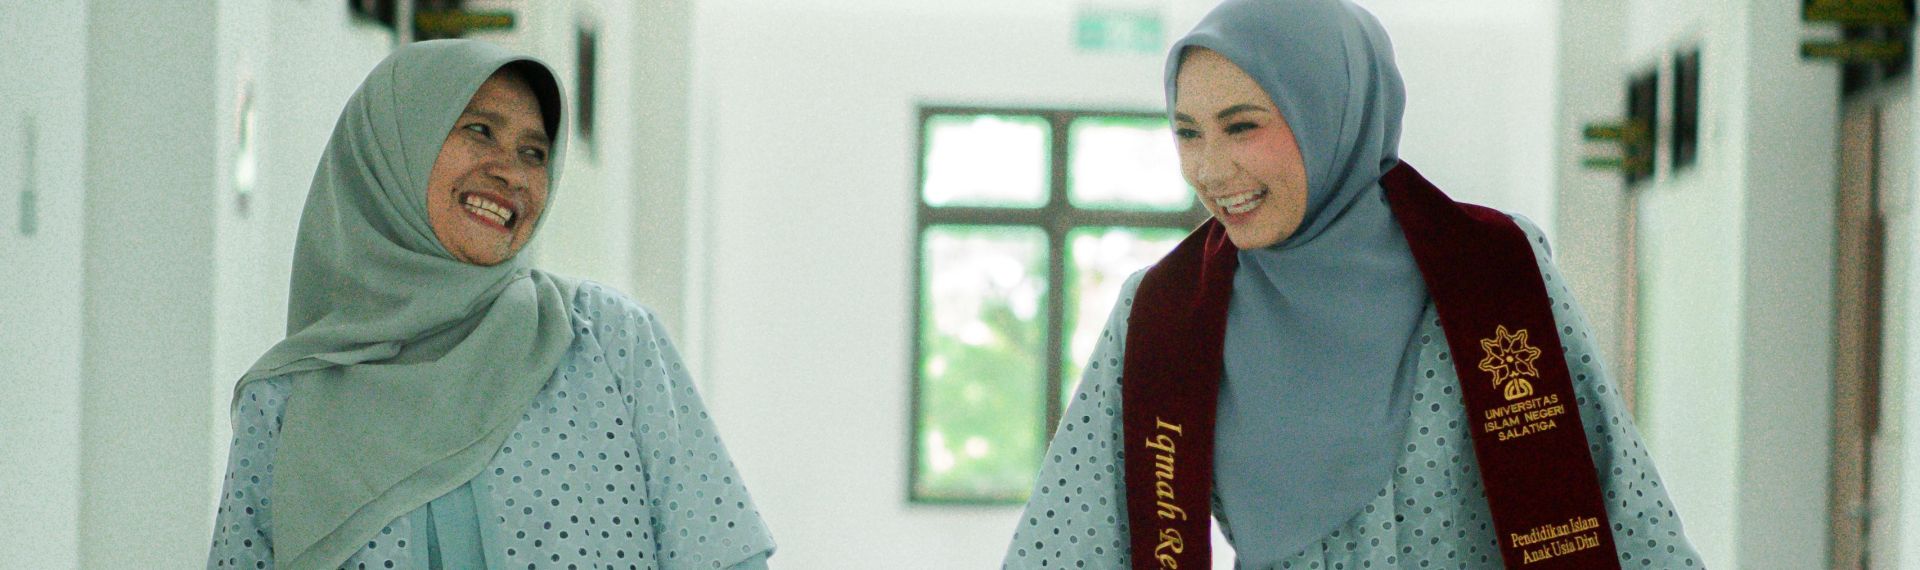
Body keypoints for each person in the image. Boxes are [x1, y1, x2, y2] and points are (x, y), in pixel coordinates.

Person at [1003, 1, 1701, 568]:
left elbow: (1620, 508)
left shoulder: (1495, 272)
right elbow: (1069, 541)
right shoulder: (1162, 315)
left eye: (1242, 126)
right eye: (1188, 133)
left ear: (1333, 109)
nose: (1211, 171)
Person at [206, 40, 774, 570]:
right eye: (479, 130)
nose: (512, 173)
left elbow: (723, 555)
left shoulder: (608, 340)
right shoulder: (285, 403)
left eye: (534, 152)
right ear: (392, 148)